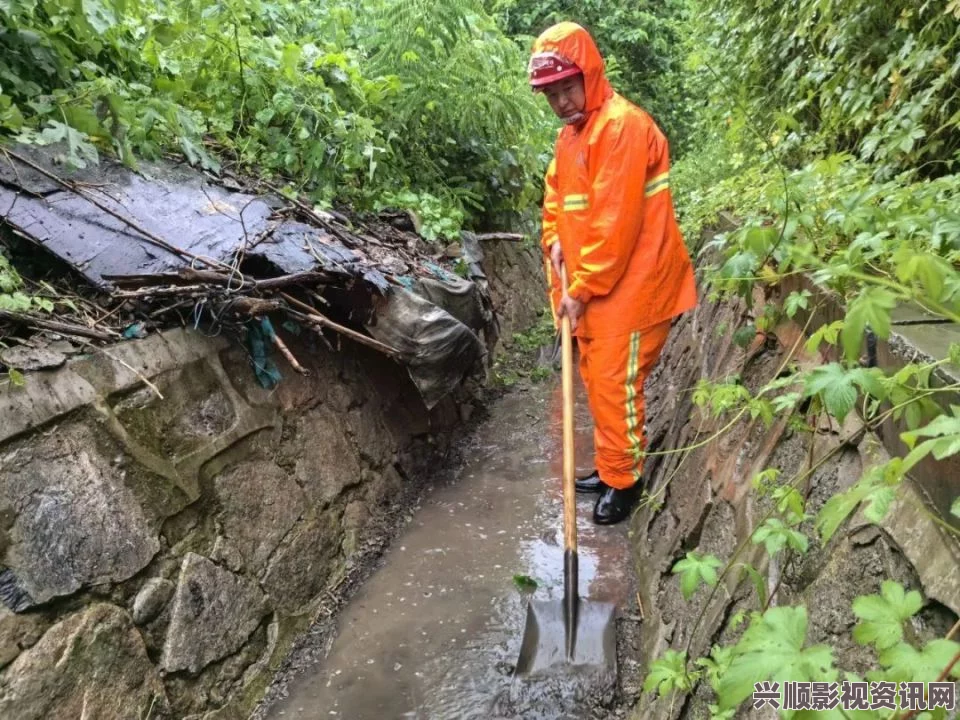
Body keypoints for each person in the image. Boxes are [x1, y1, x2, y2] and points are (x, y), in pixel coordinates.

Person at [528, 21, 697, 525]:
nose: (560, 101)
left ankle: (624, 482)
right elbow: (556, 199)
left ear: (590, 73)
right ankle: (609, 466)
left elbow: (615, 224)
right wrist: (554, 239)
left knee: (613, 386)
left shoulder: (621, 127)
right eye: (551, 94)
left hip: (631, 288)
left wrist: (580, 288)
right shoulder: (571, 138)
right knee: (598, 381)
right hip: (598, 293)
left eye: (567, 87)